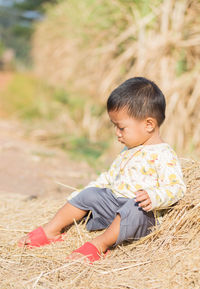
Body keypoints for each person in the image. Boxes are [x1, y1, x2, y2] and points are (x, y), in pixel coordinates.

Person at [18, 77, 186, 263]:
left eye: (121, 127)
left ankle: (100, 244)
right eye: (115, 126)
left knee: (133, 207)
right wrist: (87, 193)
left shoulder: (164, 154)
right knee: (89, 194)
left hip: (141, 215)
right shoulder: (129, 150)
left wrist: (154, 196)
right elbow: (110, 177)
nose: (117, 133)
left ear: (148, 125)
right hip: (115, 205)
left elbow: (177, 187)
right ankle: (51, 230)